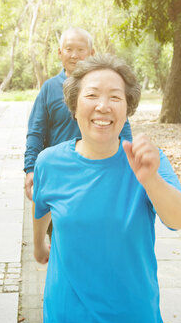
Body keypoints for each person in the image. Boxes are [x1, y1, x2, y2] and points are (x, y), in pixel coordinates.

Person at [32, 54, 181, 323]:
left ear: (127, 109)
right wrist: (38, 246)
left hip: (131, 320)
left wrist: (150, 179)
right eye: (92, 95)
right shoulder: (49, 163)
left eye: (115, 97)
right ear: (73, 105)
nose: (103, 106)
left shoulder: (146, 161)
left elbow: (180, 219)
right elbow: (42, 208)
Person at [23, 27, 132, 201]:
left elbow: (123, 129)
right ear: (60, 52)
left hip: (102, 172)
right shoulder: (49, 88)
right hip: (60, 173)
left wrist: (130, 164)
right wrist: (30, 169)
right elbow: (36, 132)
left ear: (92, 52)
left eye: (81, 50)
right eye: (69, 49)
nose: (74, 55)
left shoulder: (107, 86)